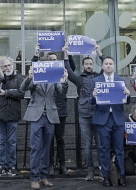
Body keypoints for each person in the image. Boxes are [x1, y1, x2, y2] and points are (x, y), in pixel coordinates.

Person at [21, 51, 69, 190]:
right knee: (36, 148)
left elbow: (61, 91)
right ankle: (34, 179)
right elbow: (23, 88)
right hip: (36, 115)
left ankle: (44, 177)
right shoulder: (36, 75)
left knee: (47, 148)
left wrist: (64, 80)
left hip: (50, 116)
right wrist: (29, 77)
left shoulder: (54, 76)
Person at [63, 44, 106, 181]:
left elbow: (106, 64)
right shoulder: (79, 78)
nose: (88, 66)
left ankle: (102, 170)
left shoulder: (98, 77)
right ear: (83, 65)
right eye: (86, 64)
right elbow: (68, 70)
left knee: (100, 145)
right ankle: (90, 171)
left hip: (98, 114)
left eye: (90, 64)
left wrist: (99, 51)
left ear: (93, 65)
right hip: (84, 115)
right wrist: (66, 53)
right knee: (87, 145)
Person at [90, 56, 131, 187]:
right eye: (106, 64)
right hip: (103, 119)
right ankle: (106, 176)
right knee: (104, 149)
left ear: (114, 66)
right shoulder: (96, 81)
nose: (108, 66)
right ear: (102, 66)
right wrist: (93, 96)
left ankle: (122, 175)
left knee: (120, 149)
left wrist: (128, 95)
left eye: (110, 64)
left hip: (118, 118)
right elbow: (91, 102)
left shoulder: (121, 80)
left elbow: (127, 101)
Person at [32, 47, 74, 176]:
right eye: (51, 60)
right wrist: (35, 54)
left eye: (55, 60)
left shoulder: (60, 71)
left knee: (60, 139)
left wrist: (67, 54)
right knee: (48, 140)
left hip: (60, 110)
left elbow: (71, 67)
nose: (53, 62)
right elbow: (34, 68)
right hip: (46, 110)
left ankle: (62, 165)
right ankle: (49, 165)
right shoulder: (43, 73)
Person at [0, 56, 25, 177]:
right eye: (5, 66)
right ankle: (2, 166)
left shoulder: (19, 78)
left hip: (13, 115)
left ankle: (12, 166)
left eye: (9, 65)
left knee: (12, 142)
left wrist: (6, 93)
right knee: (1, 142)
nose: (8, 67)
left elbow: (21, 92)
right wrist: (1, 79)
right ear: (0, 68)